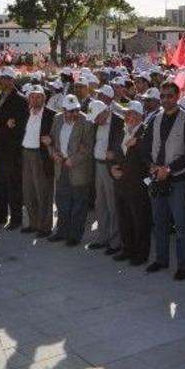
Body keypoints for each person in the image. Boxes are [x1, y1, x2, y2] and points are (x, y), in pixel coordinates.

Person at [141, 81, 185, 281]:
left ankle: (184, 265)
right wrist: (151, 166)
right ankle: (161, 259)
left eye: (170, 96)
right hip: (156, 178)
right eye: (163, 96)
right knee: (159, 223)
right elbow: (145, 146)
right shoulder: (154, 119)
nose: (166, 99)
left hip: (178, 180)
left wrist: (169, 169)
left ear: (177, 97)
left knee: (181, 225)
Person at [47, 95, 94, 246]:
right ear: (63, 110)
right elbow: (52, 141)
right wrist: (53, 153)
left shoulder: (86, 121)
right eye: (70, 111)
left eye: (77, 110)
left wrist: (74, 159)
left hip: (78, 169)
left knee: (79, 204)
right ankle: (62, 232)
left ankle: (75, 236)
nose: (75, 114)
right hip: (61, 167)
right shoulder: (57, 119)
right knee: (62, 201)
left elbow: (88, 148)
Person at [0, 67, 28, 229]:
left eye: (4, 78)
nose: (0, 81)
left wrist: (3, 127)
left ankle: (16, 219)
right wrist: (4, 126)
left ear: (12, 80)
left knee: (13, 186)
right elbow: (0, 123)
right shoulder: (0, 97)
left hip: (10, 152)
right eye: (0, 78)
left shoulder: (20, 100)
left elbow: (19, 128)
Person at [110, 101, 151, 265]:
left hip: (137, 185)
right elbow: (112, 154)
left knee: (139, 221)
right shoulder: (121, 131)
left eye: (132, 113)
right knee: (124, 219)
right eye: (126, 113)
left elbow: (150, 153)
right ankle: (127, 250)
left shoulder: (145, 132)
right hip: (120, 183)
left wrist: (138, 142)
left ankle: (141, 254)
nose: (128, 116)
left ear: (140, 116)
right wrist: (111, 168)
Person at [87, 99, 124, 254]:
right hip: (97, 165)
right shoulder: (97, 122)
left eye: (97, 118)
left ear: (104, 112)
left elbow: (123, 145)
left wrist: (115, 155)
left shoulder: (118, 122)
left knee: (112, 204)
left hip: (111, 167)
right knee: (100, 203)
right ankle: (102, 237)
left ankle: (115, 241)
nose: (95, 121)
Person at [19, 85, 56, 237]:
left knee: (43, 192)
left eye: (38, 96)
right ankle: (33, 223)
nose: (35, 99)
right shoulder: (26, 113)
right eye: (32, 96)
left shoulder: (51, 115)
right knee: (29, 192)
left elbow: (57, 135)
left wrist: (51, 140)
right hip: (26, 154)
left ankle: (45, 227)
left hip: (41, 156)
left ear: (44, 98)